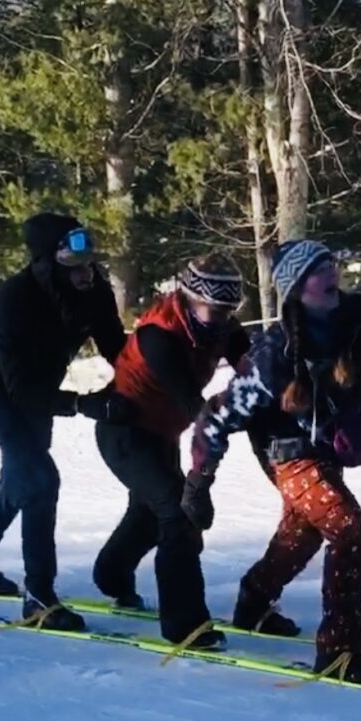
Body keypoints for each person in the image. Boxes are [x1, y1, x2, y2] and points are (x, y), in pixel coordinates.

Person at [184, 240, 361, 685]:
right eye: (318, 269)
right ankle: (341, 652)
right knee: (347, 530)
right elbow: (217, 416)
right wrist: (198, 484)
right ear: (298, 288)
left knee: (301, 534)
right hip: (287, 455)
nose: (331, 272)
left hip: (328, 450)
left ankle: (254, 599)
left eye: (331, 262)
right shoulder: (272, 356)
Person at [0, 213, 131, 631]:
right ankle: (38, 595)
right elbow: (21, 392)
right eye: (75, 265)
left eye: (90, 262)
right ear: (46, 262)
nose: (86, 273)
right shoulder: (13, 302)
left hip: (42, 388)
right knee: (39, 479)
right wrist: (82, 405)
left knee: (22, 477)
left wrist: (144, 383)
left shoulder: (94, 291)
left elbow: (117, 348)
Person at [92, 253, 250, 646]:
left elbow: (254, 365)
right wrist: (229, 419)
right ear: (189, 298)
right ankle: (185, 625)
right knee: (177, 514)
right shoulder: (158, 335)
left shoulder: (223, 326)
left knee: (149, 514)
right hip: (124, 431)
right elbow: (189, 400)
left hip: (162, 433)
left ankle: (110, 576)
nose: (219, 318)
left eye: (228, 311)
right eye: (212, 309)